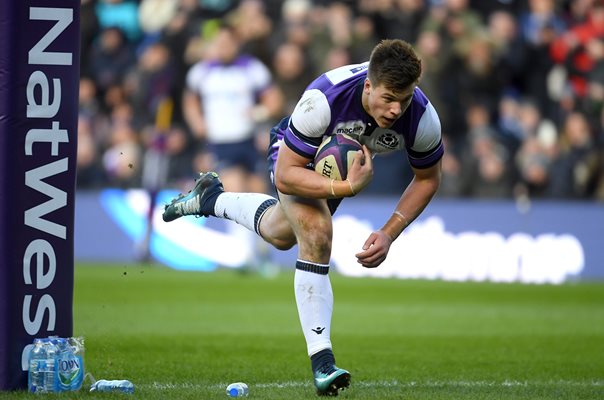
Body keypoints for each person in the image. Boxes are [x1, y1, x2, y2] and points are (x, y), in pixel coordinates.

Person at [163, 39, 444, 396]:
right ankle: (322, 362)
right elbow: (285, 175)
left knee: (281, 234)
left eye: (404, 99)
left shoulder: (422, 117)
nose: (395, 110)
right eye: (388, 98)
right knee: (316, 231)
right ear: (369, 86)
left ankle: (210, 199)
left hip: (337, 167)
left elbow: (428, 178)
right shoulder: (324, 98)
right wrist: (345, 188)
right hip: (297, 154)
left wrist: (389, 232)